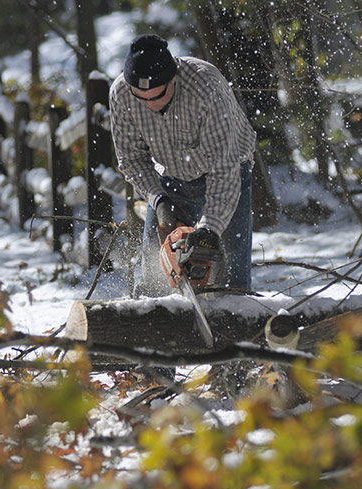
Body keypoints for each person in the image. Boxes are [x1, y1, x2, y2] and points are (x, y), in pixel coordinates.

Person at [109, 34, 257, 298]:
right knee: (153, 285)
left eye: (159, 95)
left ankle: (235, 332)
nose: (151, 104)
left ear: (173, 77)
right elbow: (132, 159)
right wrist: (160, 201)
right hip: (170, 180)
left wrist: (209, 229)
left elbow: (224, 167)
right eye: (141, 98)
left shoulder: (205, 85)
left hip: (228, 174)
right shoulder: (120, 94)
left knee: (231, 285)